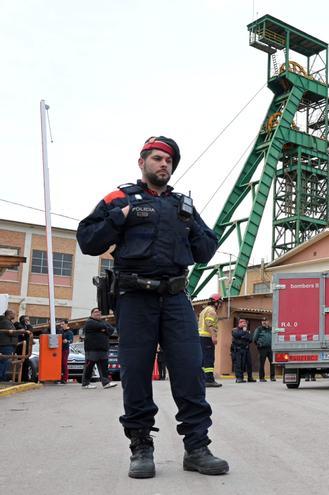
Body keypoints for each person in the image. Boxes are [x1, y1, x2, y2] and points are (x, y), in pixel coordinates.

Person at [76, 135, 228, 478]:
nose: (164, 165)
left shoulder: (182, 206)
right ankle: (141, 447)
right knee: (136, 372)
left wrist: (191, 224)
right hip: (135, 298)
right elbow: (87, 240)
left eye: (169, 161)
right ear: (142, 162)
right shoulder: (119, 198)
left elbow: (205, 250)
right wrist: (120, 217)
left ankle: (197, 447)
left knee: (190, 371)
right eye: (157, 158)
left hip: (175, 298)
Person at [81, 308, 119, 390]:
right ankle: (85, 384)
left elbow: (111, 329)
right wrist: (104, 329)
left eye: (99, 312)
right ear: (91, 314)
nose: (98, 313)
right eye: (96, 312)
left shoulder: (102, 322)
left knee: (104, 368)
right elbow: (102, 326)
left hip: (103, 349)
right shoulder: (89, 322)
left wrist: (104, 329)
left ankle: (106, 383)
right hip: (92, 349)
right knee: (89, 367)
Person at [197, 294, 222, 387]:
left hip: (201, 337)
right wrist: (213, 336)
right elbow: (209, 323)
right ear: (216, 302)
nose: (220, 305)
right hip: (207, 337)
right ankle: (209, 380)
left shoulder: (204, 310)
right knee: (209, 359)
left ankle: (203, 379)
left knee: (203, 359)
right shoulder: (211, 311)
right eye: (219, 303)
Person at [252, 316, 275, 382]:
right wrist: (259, 344)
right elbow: (254, 339)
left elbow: (275, 336)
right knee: (262, 363)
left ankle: (272, 377)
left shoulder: (271, 329)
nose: (264, 322)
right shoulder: (259, 329)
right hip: (262, 349)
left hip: (270, 348)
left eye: (265, 321)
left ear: (268, 322)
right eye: (263, 321)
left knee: (272, 363)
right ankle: (261, 378)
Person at [231, 319, 254, 383]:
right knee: (239, 364)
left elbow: (250, 339)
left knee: (249, 364)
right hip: (238, 349)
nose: (245, 325)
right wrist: (244, 333)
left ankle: (250, 377)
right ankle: (239, 378)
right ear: (239, 323)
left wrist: (243, 335)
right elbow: (236, 335)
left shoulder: (247, 331)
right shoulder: (235, 330)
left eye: (245, 323)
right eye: (243, 323)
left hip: (246, 349)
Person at [0, 310, 17, 381]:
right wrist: (20, 332)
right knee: (4, 361)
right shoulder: (5, 322)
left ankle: (2, 377)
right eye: (14, 314)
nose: (15, 315)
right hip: (6, 345)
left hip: (6, 344)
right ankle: (1, 377)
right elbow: (12, 332)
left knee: (4, 361)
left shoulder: (7, 321)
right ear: (10, 314)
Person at [60, 320, 73, 384]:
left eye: (63, 324)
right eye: (61, 324)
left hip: (65, 350)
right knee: (59, 364)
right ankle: (59, 377)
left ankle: (65, 379)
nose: (61, 325)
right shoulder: (60, 331)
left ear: (66, 324)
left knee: (64, 363)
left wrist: (67, 341)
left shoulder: (69, 332)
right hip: (58, 350)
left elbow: (71, 340)